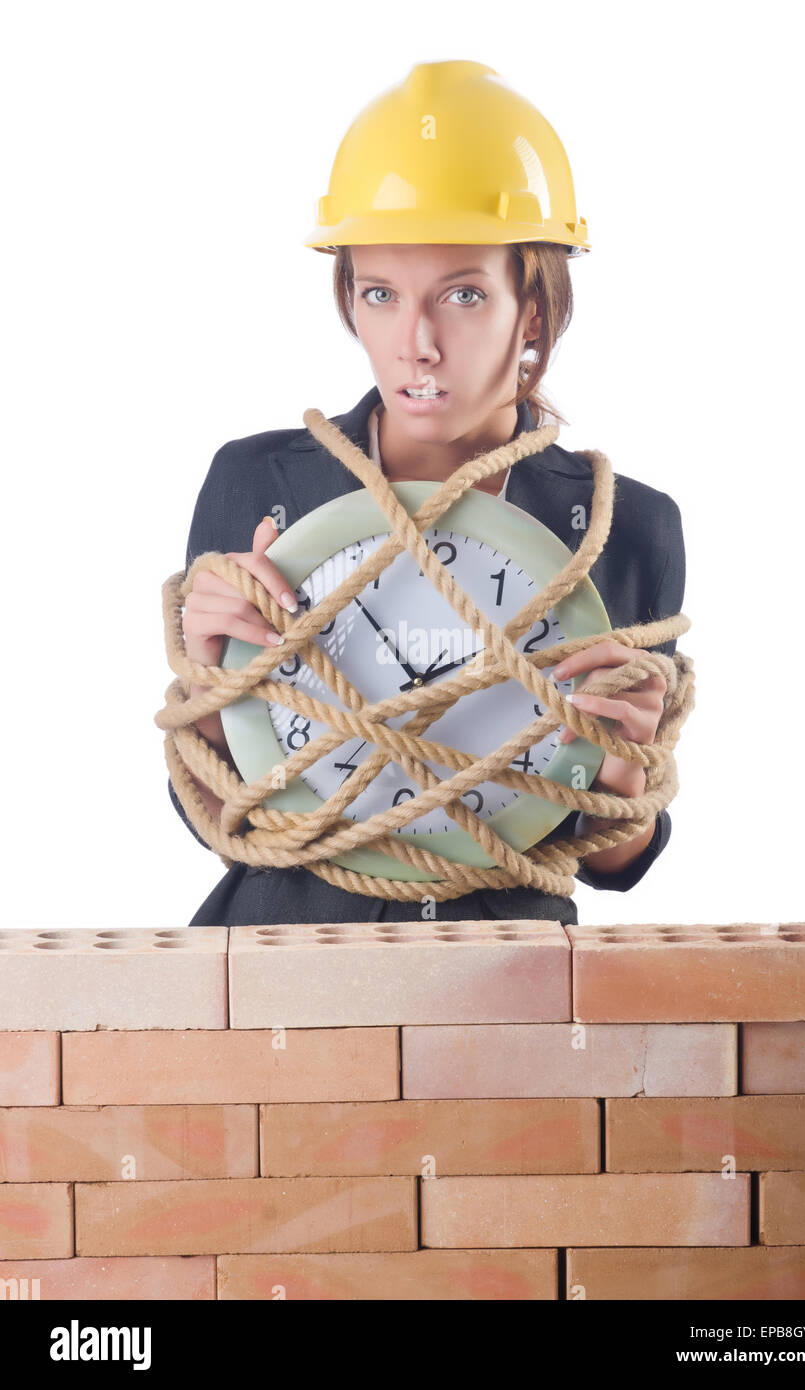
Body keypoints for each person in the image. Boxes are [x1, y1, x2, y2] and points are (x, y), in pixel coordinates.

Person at [167, 61, 686, 927]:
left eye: (463, 296)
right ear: (350, 301)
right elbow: (217, 820)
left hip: (506, 979)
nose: (417, 344)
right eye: (380, 294)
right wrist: (208, 695)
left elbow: (615, 861)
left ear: (532, 310)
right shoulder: (258, 483)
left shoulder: (620, 526)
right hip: (277, 955)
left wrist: (624, 768)